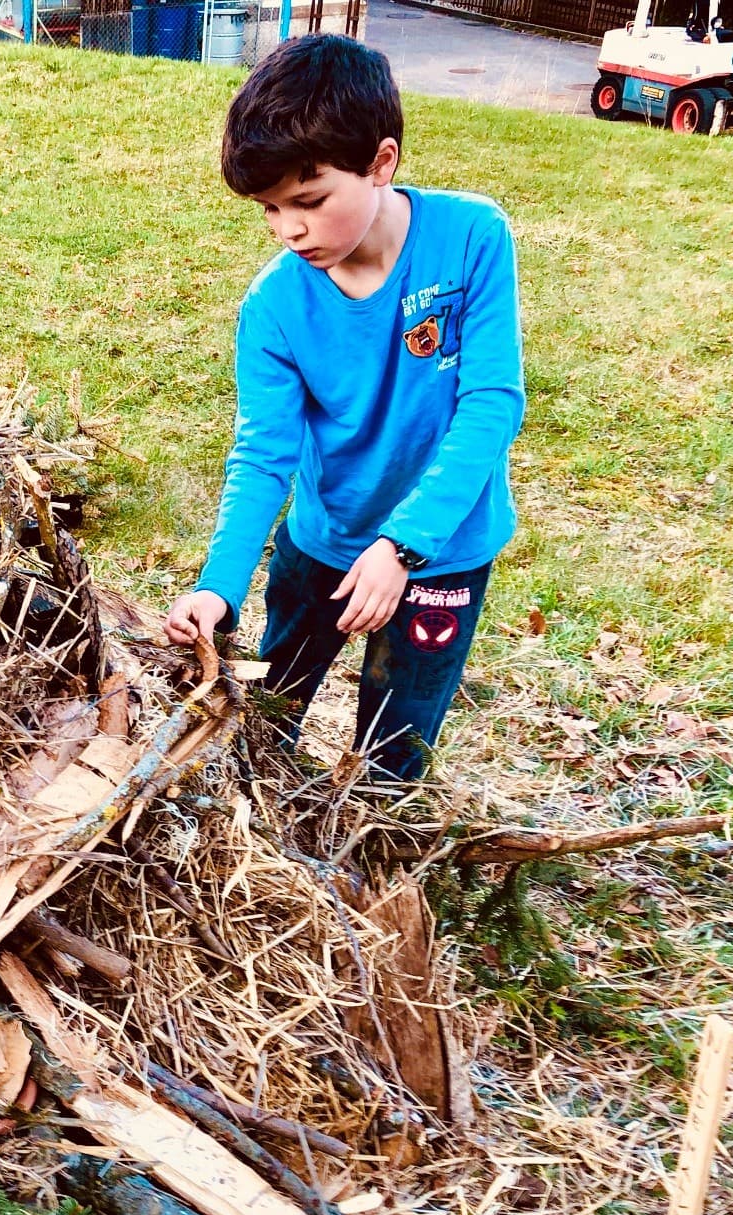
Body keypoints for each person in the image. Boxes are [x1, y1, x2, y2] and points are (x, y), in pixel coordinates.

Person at [166, 33, 525, 782]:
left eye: (308, 201)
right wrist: (219, 586)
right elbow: (264, 453)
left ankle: (368, 870)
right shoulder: (274, 304)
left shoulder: (471, 239)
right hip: (322, 548)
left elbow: (491, 403)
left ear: (381, 162)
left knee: (393, 756)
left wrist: (404, 547)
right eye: (268, 209)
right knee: (266, 726)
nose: (287, 230)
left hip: (440, 557)